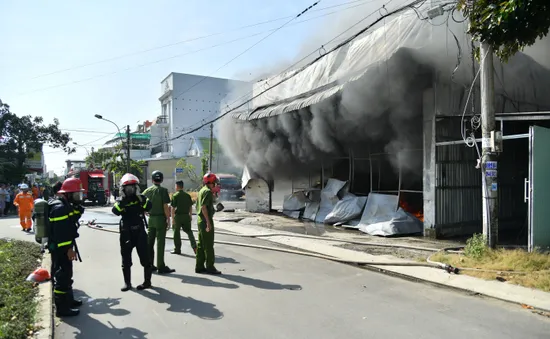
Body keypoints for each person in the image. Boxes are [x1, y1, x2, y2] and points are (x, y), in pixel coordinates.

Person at [48, 177, 85, 317]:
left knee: (67, 275)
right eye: (76, 194)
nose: (78, 197)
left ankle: (69, 301)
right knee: (63, 276)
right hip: (61, 248)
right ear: (67, 194)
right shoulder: (60, 208)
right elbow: (61, 234)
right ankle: (62, 309)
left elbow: (71, 220)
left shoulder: (65, 205)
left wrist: (78, 209)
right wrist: (69, 249)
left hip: (63, 247)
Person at [112, 173, 153, 291]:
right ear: (123, 189)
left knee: (146, 258)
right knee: (126, 259)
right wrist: (123, 202)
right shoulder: (121, 201)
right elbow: (115, 211)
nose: (130, 190)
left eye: (132, 187)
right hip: (126, 233)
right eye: (127, 188)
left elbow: (149, 206)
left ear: (136, 188)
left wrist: (141, 199)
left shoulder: (141, 199)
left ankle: (147, 282)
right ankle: (127, 283)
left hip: (140, 232)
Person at [142, 171, 175, 274]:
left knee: (149, 243)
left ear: (152, 180)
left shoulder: (147, 191)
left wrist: (146, 211)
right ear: (161, 179)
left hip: (151, 219)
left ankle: (150, 265)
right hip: (160, 219)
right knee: (160, 243)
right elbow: (166, 206)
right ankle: (161, 266)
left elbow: (141, 203)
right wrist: (168, 218)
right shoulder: (163, 191)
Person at [195, 173, 221, 275]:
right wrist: (208, 223)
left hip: (200, 220)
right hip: (205, 220)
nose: (215, 184)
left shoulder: (202, 190)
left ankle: (199, 266)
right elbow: (204, 207)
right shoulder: (207, 192)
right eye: (214, 182)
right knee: (209, 245)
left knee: (201, 244)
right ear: (210, 182)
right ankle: (210, 267)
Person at [170, 180, 197, 255]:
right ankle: (195, 246)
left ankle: (177, 249)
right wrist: (190, 215)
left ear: (177, 186)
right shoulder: (187, 195)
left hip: (178, 217)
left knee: (176, 233)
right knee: (189, 231)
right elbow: (190, 206)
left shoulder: (175, 195)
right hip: (186, 216)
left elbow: (172, 208)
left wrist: (172, 219)